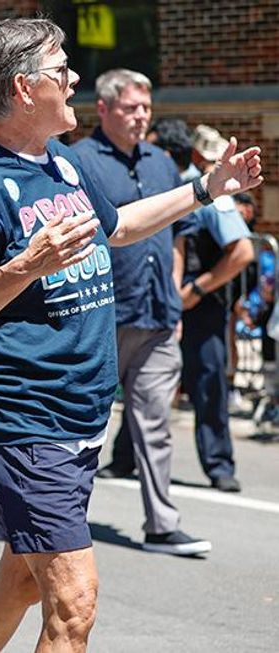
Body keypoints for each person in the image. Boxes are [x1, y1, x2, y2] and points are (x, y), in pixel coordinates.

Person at [0, 18, 261, 652]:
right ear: (25, 88)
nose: (74, 78)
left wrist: (206, 189)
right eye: (61, 70)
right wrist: (26, 266)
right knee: (73, 604)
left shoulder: (61, 162)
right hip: (24, 418)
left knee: (21, 583)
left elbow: (118, 227)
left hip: (80, 415)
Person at [71, 69, 210, 555]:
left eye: (146, 108)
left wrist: (173, 296)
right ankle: (64, 522)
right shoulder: (77, 162)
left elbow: (177, 236)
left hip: (155, 313)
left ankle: (161, 523)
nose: (141, 116)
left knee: (154, 421)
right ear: (104, 109)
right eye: (131, 108)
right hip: (100, 315)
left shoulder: (161, 163)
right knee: (86, 422)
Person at [174, 123, 255, 493]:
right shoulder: (181, 184)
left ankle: (220, 464)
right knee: (147, 380)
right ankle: (127, 456)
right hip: (173, 298)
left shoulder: (210, 193)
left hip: (199, 304)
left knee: (207, 385)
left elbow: (242, 252)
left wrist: (197, 288)